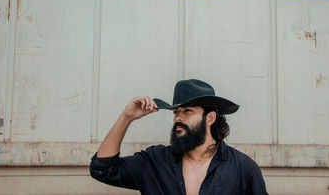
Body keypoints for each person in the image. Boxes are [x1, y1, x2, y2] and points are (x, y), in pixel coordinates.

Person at [90, 79, 268, 195]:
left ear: (210, 118)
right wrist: (126, 117)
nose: (178, 118)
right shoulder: (154, 161)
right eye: (176, 112)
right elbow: (103, 169)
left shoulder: (242, 168)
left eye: (188, 111)